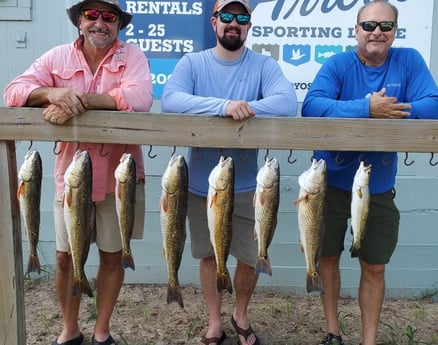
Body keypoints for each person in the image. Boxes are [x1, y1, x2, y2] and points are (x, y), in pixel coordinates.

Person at [4, 1, 153, 344]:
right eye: (92, 15)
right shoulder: (57, 57)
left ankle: (102, 331)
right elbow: (13, 91)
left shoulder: (132, 57)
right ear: (79, 21)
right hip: (70, 180)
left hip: (121, 179)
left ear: (118, 24)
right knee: (64, 257)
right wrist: (49, 93)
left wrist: (78, 101)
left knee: (113, 256)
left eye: (109, 16)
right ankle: (69, 330)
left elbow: (140, 97)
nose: (100, 22)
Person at [301, 1, 438, 345]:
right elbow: (313, 105)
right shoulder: (337, 64)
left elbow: (432, 103)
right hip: (328, 183)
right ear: (356, 29)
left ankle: (369, 340)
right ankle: (332, 330)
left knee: (375, 265)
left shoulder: (409, 61)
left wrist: (388, 111)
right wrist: (366, 107)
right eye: (369, 25)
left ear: (395, 31)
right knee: (326, 256)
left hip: (377, 185)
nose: (377, 32)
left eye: (386, 26)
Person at [161, 1, 297, 344]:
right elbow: (171, 100)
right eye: (226, 16)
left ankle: (240, 314)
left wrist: (248, 109)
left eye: (241, 18)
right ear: (214, 21)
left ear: (249, 25)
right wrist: (223, 107)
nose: (233, 23)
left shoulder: (263, 65)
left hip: (252, 186)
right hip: (199, 186)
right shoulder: (193, 62)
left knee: (249, 257)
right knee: (208, 255)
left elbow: (286, 102)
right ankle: (213, 321)